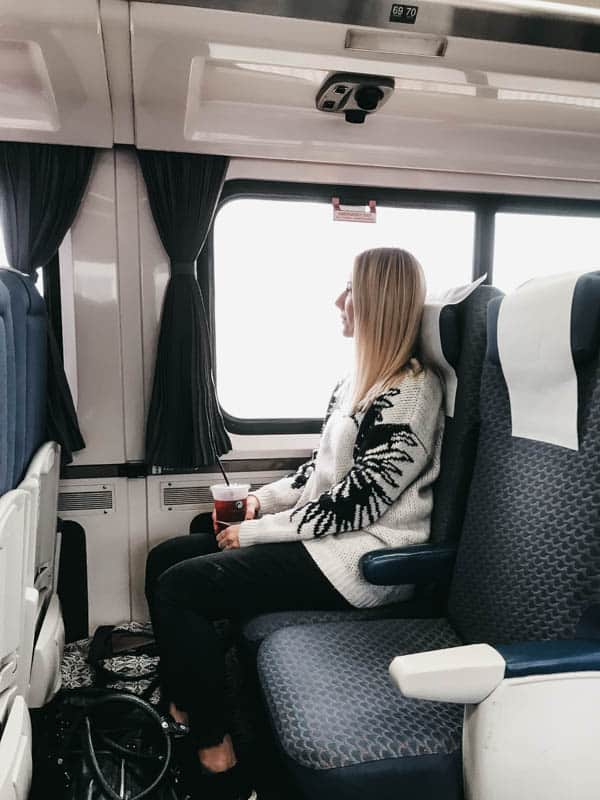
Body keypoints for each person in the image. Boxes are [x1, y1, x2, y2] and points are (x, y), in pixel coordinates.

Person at [145, 247, 444, 800]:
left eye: (349, 289)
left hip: (367, 560)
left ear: (378, 301)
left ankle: (217, 753)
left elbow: (360, 501)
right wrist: (261, 502)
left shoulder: (410, 393)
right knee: (166, 556)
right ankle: (187, 698)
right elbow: (318, 476)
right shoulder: (359, 382)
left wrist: (255, 532)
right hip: (336, 543)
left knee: (180, 587)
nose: (338, 300)